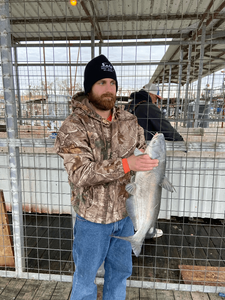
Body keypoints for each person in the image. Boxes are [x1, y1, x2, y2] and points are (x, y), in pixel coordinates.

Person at [55, 54, 158, 300]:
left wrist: (147, 157)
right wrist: (126, 163)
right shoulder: (73, 126)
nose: (108, 89)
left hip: (124, 215)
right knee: (85, 278)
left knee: (120, 273)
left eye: (112, 82)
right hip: (92, 219)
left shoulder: (129, 121)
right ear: (89, 87)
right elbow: (80, 173)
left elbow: (143, 151)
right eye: (101, 82)